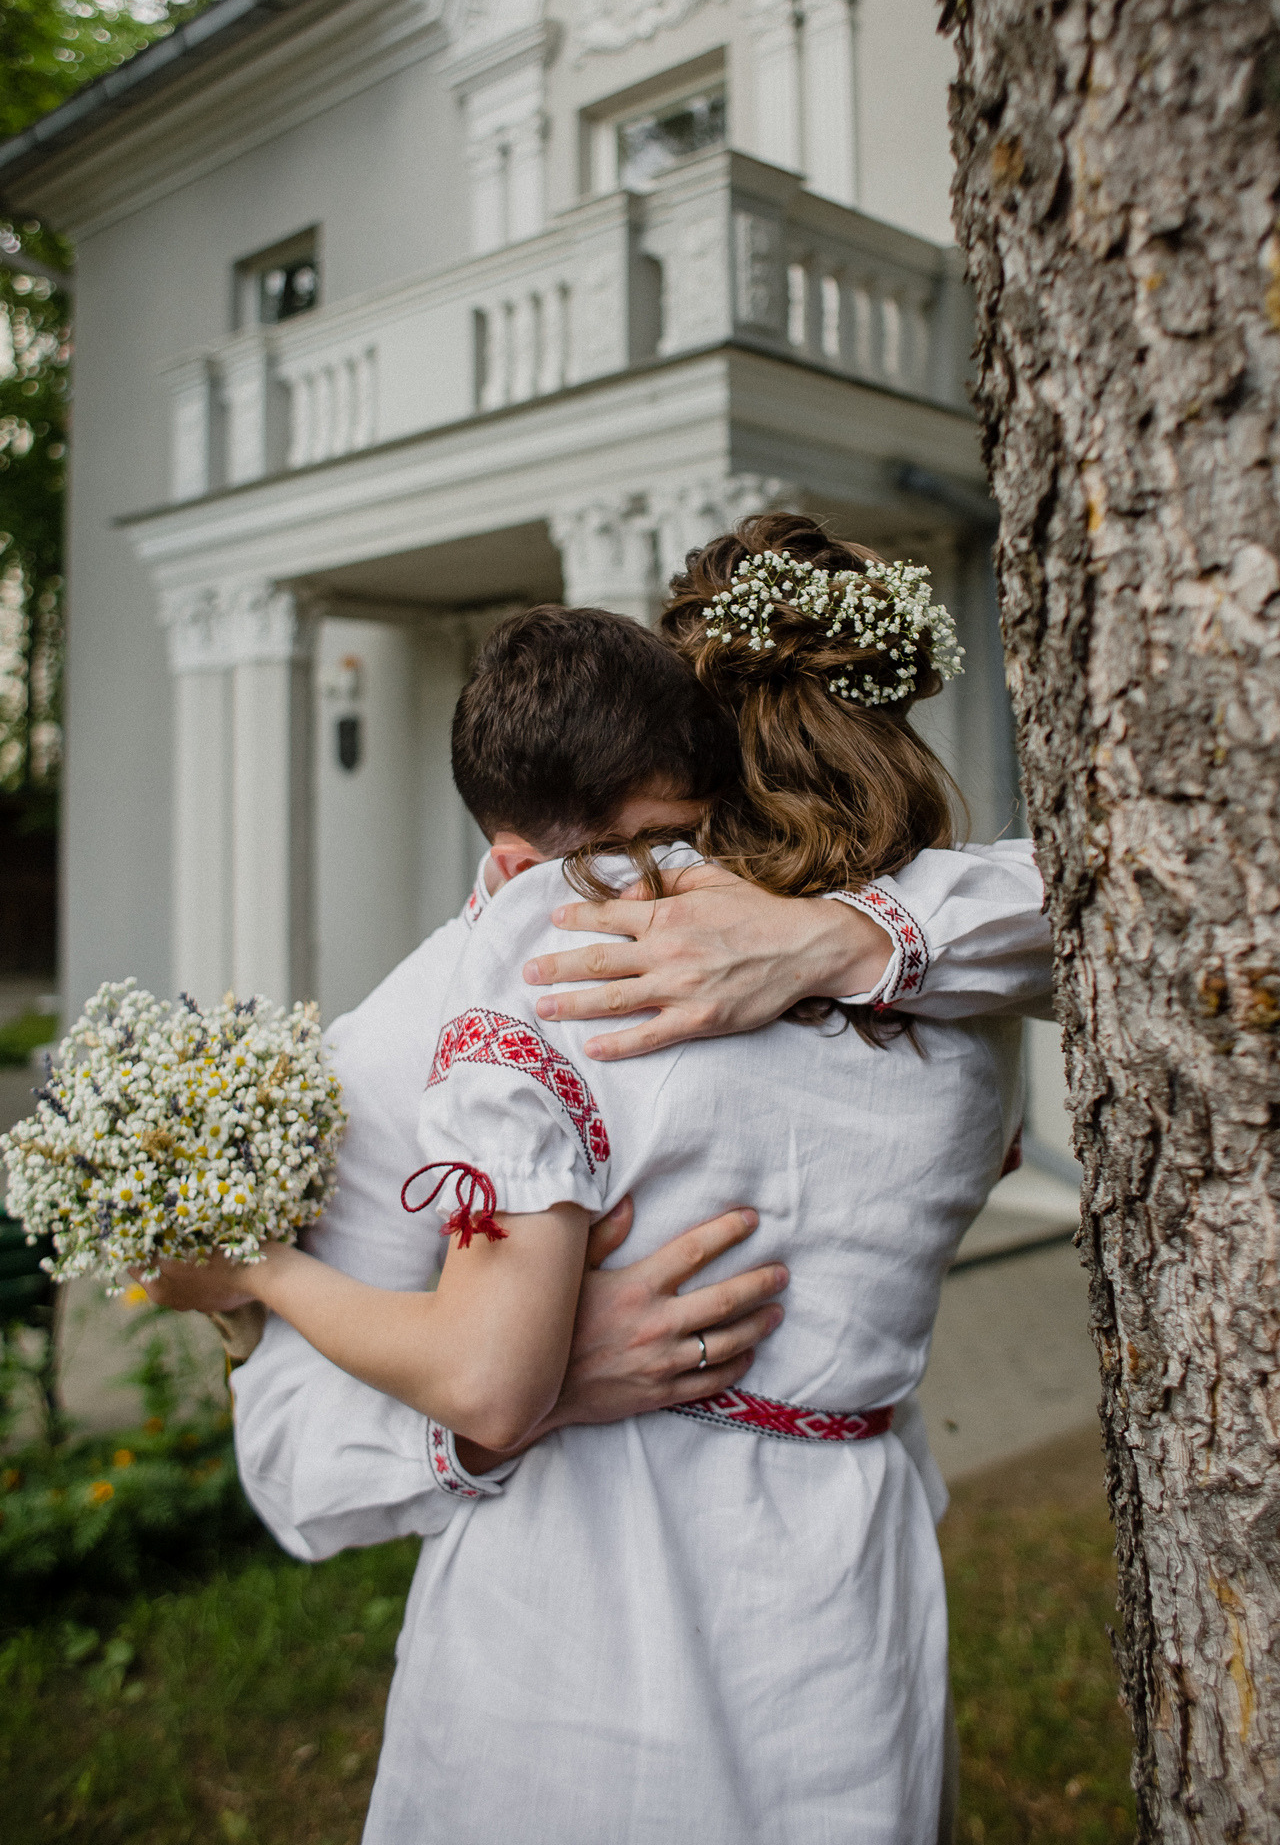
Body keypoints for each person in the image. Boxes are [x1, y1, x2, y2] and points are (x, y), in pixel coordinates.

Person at [151, 519, 1051, 1843]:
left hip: (662, 1627)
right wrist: (546, 1379)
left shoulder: (763, 946)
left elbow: (303, 1455)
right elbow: (1114, 896)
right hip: (782, 1602)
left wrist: (826, 934)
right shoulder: (959, 976)